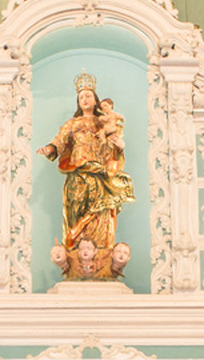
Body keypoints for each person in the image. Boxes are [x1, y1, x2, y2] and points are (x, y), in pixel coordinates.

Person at [37, 72, 134, 258]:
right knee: (78, 218)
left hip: (100, 178)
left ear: (96, 100)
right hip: (78, 178)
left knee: (100, 217)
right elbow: (60, 141)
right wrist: (50, 149)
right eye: (81, 97)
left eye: (88, 95)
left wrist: (120, 148)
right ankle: (76, 257)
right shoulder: (72, 124)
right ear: (78, 102)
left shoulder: (104, 122)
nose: (85, 99)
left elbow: (113, 146)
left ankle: (102, 258)